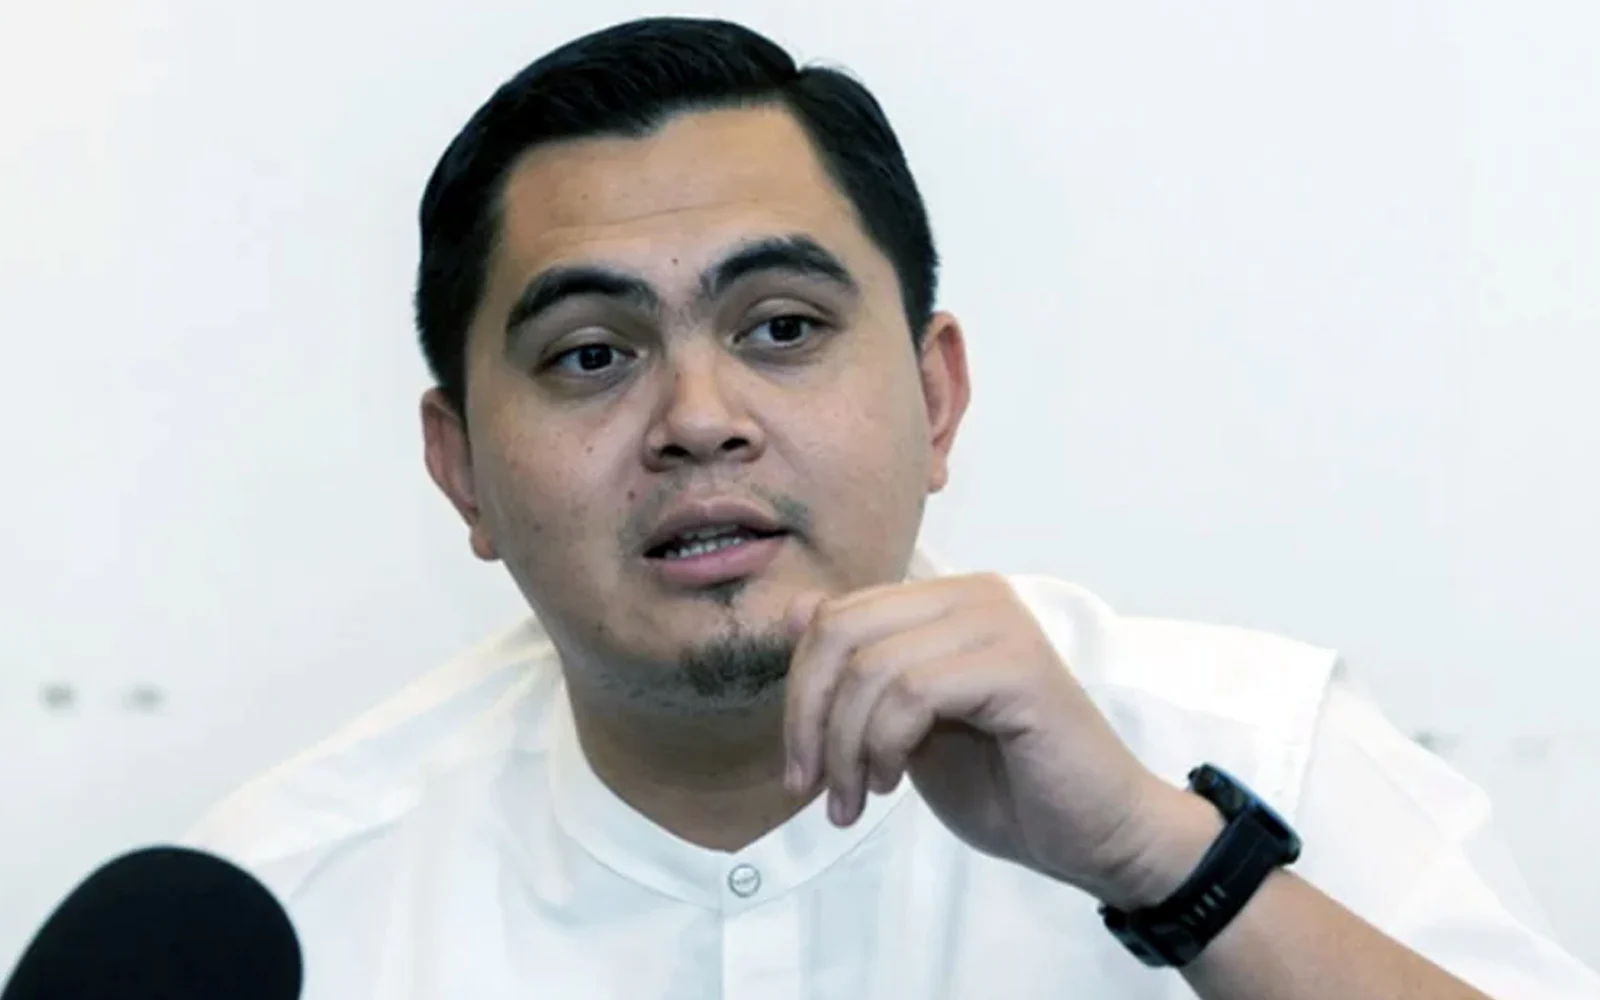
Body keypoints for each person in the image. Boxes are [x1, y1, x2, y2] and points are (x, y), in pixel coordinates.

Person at [186, 16, 1600, 999]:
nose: (698, 417)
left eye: (782, 327)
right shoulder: (273, 913)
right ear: (461, 471)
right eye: (592, 355)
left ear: (936, 398)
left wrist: (1159, 862)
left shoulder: (1248, 757)